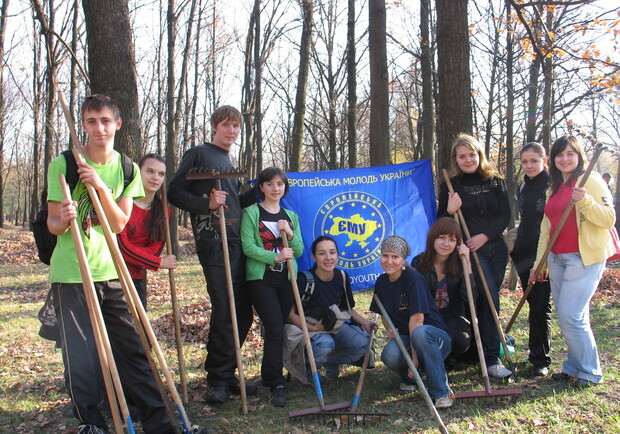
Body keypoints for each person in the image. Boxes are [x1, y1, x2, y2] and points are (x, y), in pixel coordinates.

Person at [46, 95, 178, 433]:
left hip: (111, 273)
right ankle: (92, 424)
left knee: (133, 350)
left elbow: (119, 224)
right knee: (81, 359)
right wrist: (65, 216)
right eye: (91, 121)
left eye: (105, 121)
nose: (98, 128)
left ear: (117, 124)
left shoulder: (127, 168)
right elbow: (53, 225)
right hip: (71, 274)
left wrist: (99, 184)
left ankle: (159, 422)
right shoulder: (63, 163)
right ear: (83, 125)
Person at [167, 105, 257, 405]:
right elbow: (174, 192)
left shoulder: (230, 160)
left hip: (237, 241)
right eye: (226, 125)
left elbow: (232, 204)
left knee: (243, 312)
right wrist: (205, 203)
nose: (231, 131)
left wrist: (254, 194)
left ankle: (227, 372)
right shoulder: (199, 154)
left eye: (236, 127)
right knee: (225, 307)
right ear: (215, 126)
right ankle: (216, 379)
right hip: (213, 240)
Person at [530, 136, 615, 387]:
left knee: (571, 316)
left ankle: (590, 372)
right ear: (553, 160)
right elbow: (547, 228)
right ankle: (573, 367)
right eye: (559, 155)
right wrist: (539, 263)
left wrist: (585, 200)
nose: (564, 159)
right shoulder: (553, 187)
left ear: (579, 156)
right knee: (570, 315)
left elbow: (609, 219)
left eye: (570, 154)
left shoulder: (592, 181)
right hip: (556, 258)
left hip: (583, 258)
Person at [437, 133, 512, 378]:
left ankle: (484, 355)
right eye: (462, 156)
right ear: (455, 160)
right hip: (468, 253)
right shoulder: (450, 185)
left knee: (489, 299)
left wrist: (485, 236)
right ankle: (485, 356)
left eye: (472, 154)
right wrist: (449, 210)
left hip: (495, 249)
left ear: (479, 155)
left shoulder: (495, 181)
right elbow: (442, 224)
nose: (468, 160)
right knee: (485, 298)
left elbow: (504, 215)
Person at [240, 167, 303, 407]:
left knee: (278, 326)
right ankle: (275, 381)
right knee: (275, 326)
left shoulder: (290, 216)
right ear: (261, 187)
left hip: (286, 279)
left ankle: (270, 374)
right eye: (270, 184)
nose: (276, 189)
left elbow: (298, 250)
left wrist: (289, 232)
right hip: (261, 278)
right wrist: (273, 257)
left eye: (280, 184)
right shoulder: (252, 213)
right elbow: (247, 246)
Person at [370, 236, 453, 409]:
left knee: (420, 334)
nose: (389, 261)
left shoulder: (412, 278)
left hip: (433, 338)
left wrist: (413, 358)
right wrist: (390, 331)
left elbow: (418, 320)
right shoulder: (381, 282)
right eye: (385, 255)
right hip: (409, 337)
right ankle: (411, 377)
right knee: (390, 354)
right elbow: (382, 312)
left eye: (395, 257)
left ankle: (441, 392)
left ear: (403, 259)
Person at [286, 236, 377, 383]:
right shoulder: (303, 280)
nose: (328, 258)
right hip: (308, 328)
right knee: (325, 345)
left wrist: (365, 323)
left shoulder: (342, 276)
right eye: (322, 253)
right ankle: (306, 370)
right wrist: (312, 328)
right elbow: (290, 314)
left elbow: (346, 308)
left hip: (333, 324)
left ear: (337, 255)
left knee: (363, 345)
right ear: (314, 257)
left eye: (332, 252)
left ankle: (331, 361)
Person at [411, 217, 476, 370]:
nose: (446, 244)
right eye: (442, 238)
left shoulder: (460, 265)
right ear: (433, 238)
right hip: (427, 316)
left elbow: (470, 298)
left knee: (462, 340)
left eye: (452, 240)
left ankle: (450, 357)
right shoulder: (419, 263)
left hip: (452, 316)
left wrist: (467, 263)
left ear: (457, 244)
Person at [510, 143, 552, 377]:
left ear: (544, 161)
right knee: (531, 304)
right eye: (525, 162)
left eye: (534, 161)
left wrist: (543, 261)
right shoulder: (523, 186)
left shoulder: (552, 185)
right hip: (523, 254)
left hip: (544, 254)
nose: (529, 165)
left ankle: (540, 360)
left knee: (540, 305)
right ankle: (534, 352)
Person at [118, 153, 176, 309]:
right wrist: (159, 263)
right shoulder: (121, 203)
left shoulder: (164, 212)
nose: (155, 177)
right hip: (113, 278)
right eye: (150, 171)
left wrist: (141, 257)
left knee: (138, 332)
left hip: (138, 277)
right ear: (138, 172)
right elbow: (121, 249)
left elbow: (155, 249)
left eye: (161, 174)